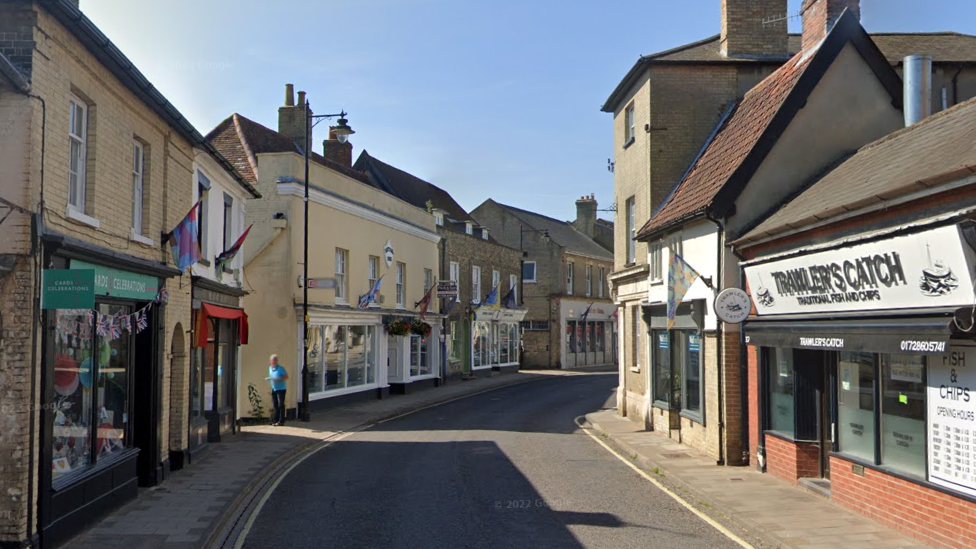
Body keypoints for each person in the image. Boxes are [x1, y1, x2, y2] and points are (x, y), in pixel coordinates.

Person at [265, 355, 288, 426]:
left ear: (276, 361)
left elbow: (286, 376)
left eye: (274, 360)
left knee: (281, 404)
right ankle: (275, 420)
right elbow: (272, 377)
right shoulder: (270, 368)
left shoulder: (280, 368)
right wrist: (270, 379)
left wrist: (277, 379)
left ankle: (281, 421)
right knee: (275, 404)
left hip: (281, 389)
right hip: (274, 388)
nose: (273, 362)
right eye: (272, 360)